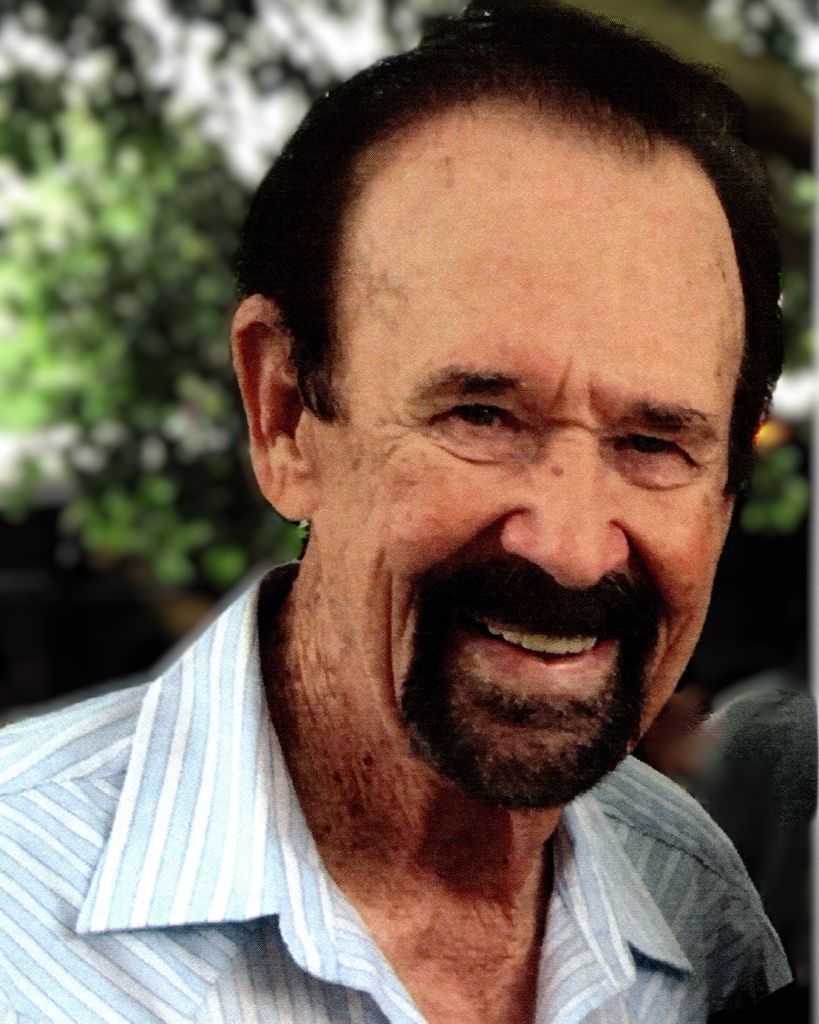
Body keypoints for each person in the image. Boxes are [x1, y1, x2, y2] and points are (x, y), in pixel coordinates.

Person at [0, 3, 793, 1022]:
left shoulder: (701, 911)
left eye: (653, 443)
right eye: (481, 416)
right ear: (285, 416)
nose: (568, 546)